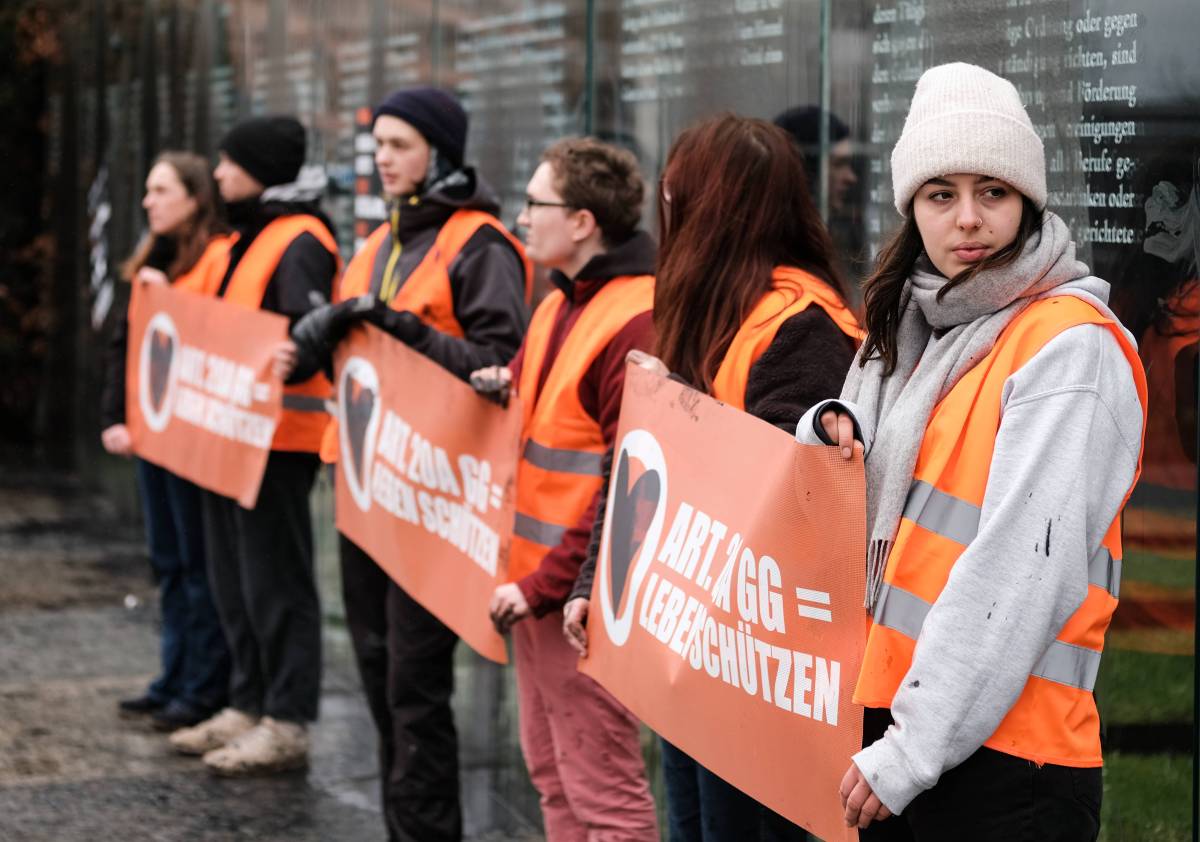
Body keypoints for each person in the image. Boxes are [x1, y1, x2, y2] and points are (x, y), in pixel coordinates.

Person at [796, 63, 1147, 839]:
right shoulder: (910, 328)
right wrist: (828, 428)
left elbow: (1023, 571)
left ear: (1027, 199)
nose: (968, 219)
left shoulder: (1067, 345)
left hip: (1008, 765)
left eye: (992, 190)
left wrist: (911, 750)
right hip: (900, 730)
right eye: (940, 194)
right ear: (911, 207)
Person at [561, 114, 863, 842]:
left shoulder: (800, 323)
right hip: (705, 653)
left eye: (675, 194)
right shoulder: (722, 310)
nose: (666, 210)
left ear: (709, 209)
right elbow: (654, 466)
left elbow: (792, 505)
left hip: (757, 676)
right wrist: (595, 584)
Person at [283, 86, 531, 842]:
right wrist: (310, 344)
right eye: (378, 145)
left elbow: (498, 365)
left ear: (440, 153)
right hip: (366, 491)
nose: (383, 159)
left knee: (414, 689)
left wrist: (398, 327)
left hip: (433, 499)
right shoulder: (375, 244)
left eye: (399, 145)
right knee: (381, 679)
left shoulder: (479, 243)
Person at [474, 137, 659, 841]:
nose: (521, 217)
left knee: (603, 795)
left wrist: (543, 586)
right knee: (553, 774)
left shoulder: (635, 317)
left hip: (578, 601)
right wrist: (504, 382)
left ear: (582, 222)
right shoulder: (559, 302)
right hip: (538, 591)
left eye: (534, 203)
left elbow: (627, 486)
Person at [168, 116, 341, 777]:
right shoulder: (250, 235)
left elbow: (309, 334)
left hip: (278, 440)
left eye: (229, 161)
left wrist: (292, 356)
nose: (217, 173)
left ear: (260, 167)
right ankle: (247, 702)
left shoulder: (299, 239)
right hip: (232, 434)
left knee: (277, 582)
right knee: (236, 578)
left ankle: (286, 721)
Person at [101, 151, 232, 731]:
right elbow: (125, 346)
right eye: (149, 190)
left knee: (195, 563)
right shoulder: (152, 256)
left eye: (161, 191)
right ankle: (173, 678)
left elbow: (220, 340)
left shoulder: (217, 256)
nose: (148, 201)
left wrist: (172, 300)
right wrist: (116, 416)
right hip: (154, 433)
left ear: (195, 198)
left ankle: (202, 688)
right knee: (170, 563)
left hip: (193, 438)